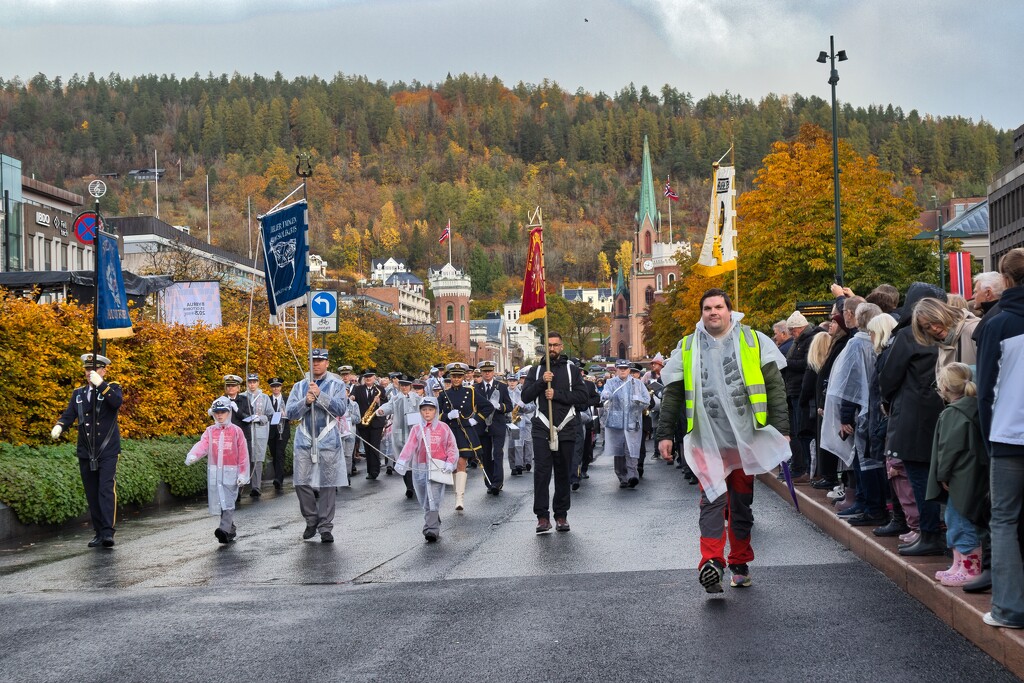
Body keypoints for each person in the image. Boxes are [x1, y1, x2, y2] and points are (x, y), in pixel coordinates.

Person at [657, 288, 790, 593]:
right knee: (712, 500)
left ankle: (740, 562)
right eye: (707, 308)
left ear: (730, 311)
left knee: (741, 504)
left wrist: (781, 427)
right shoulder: (688, 347)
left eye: (718, 307)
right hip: (707, 440)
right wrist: (665, 434)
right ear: (701, 313)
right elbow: (674, 393)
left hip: (744, 439)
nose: (713, 312)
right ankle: (712, 563)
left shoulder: (754, 341)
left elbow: (775, 387)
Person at [878, 282, 948, 557]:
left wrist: (887, 400)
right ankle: (938, 532)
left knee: (919, 477)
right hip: (942, 412)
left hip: (912, 415)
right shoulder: (945, 331)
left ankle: (929, 533)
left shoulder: (908, 335)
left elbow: (889, 376)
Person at [977, 248, 1024, 629]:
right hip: (1008, 434)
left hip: (1009, 436)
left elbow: (987, 390)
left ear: (1005, 280)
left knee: (1005, 520)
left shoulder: (998, 324)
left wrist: (987, 441)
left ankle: (1009, 608)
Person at [821, 302, 888, 528]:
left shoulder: (856, 343)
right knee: (874, 460)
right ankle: (870, 503)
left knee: (864, 461)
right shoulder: (879, 340)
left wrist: (845, 416)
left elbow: (848, 382)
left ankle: (870, 506)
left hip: (862, 411)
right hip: (878, 409)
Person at [52, 353, 123, 548]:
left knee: (105, 489)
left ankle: (108, 532)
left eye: (94, 369)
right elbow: (69, 415)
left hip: (107, 449)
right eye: (87, 369)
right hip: (86, 450)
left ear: (104, 370)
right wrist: (60, 425)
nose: (89, 372)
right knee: (92, 492)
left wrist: (101, 384)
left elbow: (116, 403)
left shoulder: (113, 388)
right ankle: (99, 532)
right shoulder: (79, 394)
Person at [925, 363, 987, 587]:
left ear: (944, 386)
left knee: (958, 519)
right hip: (973, 473)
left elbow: (948, 448)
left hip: (959, 476)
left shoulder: (953, 412)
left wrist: (943, 474)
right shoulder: (976, 407)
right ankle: (959, 564)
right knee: (961, 518)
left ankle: (969, 569)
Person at [521, 332, 587, 533]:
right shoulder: (536, 370)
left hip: (566, 426)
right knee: (541, 473)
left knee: (563, 473)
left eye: (556, 345)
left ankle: (561, 515)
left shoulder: (572, 370)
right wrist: (542, 382)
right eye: (549, 345)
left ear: (562, 346)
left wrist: (556, 394)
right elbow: (525, 397)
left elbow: (582, 397)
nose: (552, 349)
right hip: (542, 426)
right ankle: (542, 517)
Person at [284, 348, 350, 543]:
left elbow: (340, 408)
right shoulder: (299, 386)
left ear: (327, 363)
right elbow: (291, 413)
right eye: (313, 360)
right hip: (304, 440)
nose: (316, 364)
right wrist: (305, 401)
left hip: (328, 440)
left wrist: (320, 395)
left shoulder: (337, 385)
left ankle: (325, 526)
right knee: (301, 482)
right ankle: (311, 518)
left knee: (327, 485)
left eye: (320, 360)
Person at [185, 397, 250, 543]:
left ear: (229, 412)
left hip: (231, 472)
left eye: (223, 412)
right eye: (217, 412)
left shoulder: (236, 431)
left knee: (228, 501)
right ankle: (230, 529)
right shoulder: (210, 431)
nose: (220, 415)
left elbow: (243, 454)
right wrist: (194, 454)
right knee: (221, 501)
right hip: (216, 472)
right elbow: (203, 444)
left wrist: (243, 473)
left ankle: (223, 529)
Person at [394, 397, 459, 542]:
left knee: (433, 497)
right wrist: (402, 461)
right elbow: (410, 446)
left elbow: (451, 446)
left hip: (438, 466)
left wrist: (450, 462)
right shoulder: (417, 429)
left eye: (430, 409)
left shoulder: (443, 428)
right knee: (425, 498)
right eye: (424, 410)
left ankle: (431, 529)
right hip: (421, 468)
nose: (427, 413)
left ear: (436, 411)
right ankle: (433, 519)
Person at [437, 362, 491, 511]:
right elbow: (437, 416)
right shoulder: (443, 394)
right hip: (449, 431)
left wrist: (476, 419)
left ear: (463, 377)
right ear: (450, 377)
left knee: (461, 462)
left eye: (459, 376)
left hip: (464, 431)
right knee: (453, 465)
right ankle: (456, 494)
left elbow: (488, 406)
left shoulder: (471, 392)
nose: (456, 379)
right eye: (454, 376)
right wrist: (447, 415)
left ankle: (459, 498)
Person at [783, 310, 824, 484]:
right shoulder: (799, 341)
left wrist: (786, 362)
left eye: (793, 330)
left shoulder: (809, 340)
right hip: (795, 389)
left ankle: (806, 468)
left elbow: (807, 363)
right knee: (797, 431)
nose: (791, 334)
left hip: (801, 391)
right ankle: (802, 468)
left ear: (800, 327)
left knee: (803, 431)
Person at [601, 359, 651, 488]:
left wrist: (638, 400)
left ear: (629, 370)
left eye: (625, 368)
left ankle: (632, 475)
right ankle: (622, 476)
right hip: (616, 422)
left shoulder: (638, 384)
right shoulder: (610, 383)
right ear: (616, 369)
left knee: (631, 448)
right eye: (620, 368)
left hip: (632, 421)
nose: (623, 370)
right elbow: (604, 394)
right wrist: (606, 395)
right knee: (619, 450)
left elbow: (647, 400)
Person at [377, 376, 422, 499]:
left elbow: (424, 411)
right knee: (404, 460)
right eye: (402, 385)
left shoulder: (417, 399)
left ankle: (417, 485)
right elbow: (388, 406)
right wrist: (381, 411)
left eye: (406, 385)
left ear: (410, 386)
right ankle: (409, 487)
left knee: (415, 460)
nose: (404, 388)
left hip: (415, 433)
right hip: (400, 433)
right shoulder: (396, 398)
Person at [476, 360, 512, 495]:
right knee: (485, 455)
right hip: (482, 425)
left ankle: (497, 482)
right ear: (481, 373)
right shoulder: (476, 388)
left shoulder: (501, 387)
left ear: (493, 372)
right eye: (484, 372)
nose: (487, 374)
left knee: (497, 453)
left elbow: (509, 406)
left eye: (489, 371)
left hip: (497, 424)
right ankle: (489, 482)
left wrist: (500, 407)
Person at [351, 370, 387, 479]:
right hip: (363, 423)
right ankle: (369, 471)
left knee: (374, 446)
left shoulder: (380, 389)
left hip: (376, 422)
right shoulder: (358, 389)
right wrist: (351, 397)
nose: (368, 378)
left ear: (374, 377)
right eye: (366, 377)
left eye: (370, 376)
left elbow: (386, 404)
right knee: (367, 448)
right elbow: (352, 398)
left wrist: (379, 402)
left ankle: (375, 471)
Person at [243, 373, 274, 497]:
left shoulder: (265, 397)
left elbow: (270, 414)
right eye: (250, 382)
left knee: (258, 459)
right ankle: (243, 485)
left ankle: (256, 487)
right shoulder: (242, 397)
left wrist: (259, 418)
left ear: (258, 383)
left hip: (260, 430)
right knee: (245, 457)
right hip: (246, 430)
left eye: (254, 382)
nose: (252, 384)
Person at [266, 377, 291, 492]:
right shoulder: (268, 399)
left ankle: (278, 479)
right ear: (271, 388)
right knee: (274, 454)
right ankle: (277, 475)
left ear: (281, 387)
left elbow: (292, 413)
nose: (275, 388)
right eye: (273, 386)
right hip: (271, 431)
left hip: (283, 430)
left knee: (280, 453)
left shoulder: (287, 399)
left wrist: (286, 414)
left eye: (277, 386)